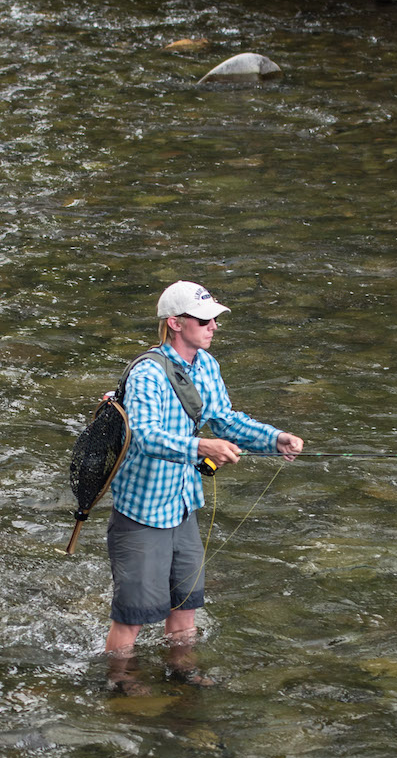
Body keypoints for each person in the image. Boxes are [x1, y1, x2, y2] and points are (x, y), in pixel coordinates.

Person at [105, 281, 303, 683]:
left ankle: (183, 671)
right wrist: (201, 447)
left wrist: (274, 438)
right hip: (142, 511)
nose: (213, 326)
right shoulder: (148, 373)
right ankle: (121, 680)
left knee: (186, 605)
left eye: (215, 318)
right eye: (204, 319)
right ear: (175, 323)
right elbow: (145, 435)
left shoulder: (207, 366)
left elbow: (227, 419)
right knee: (133, 616)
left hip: (182, 506)